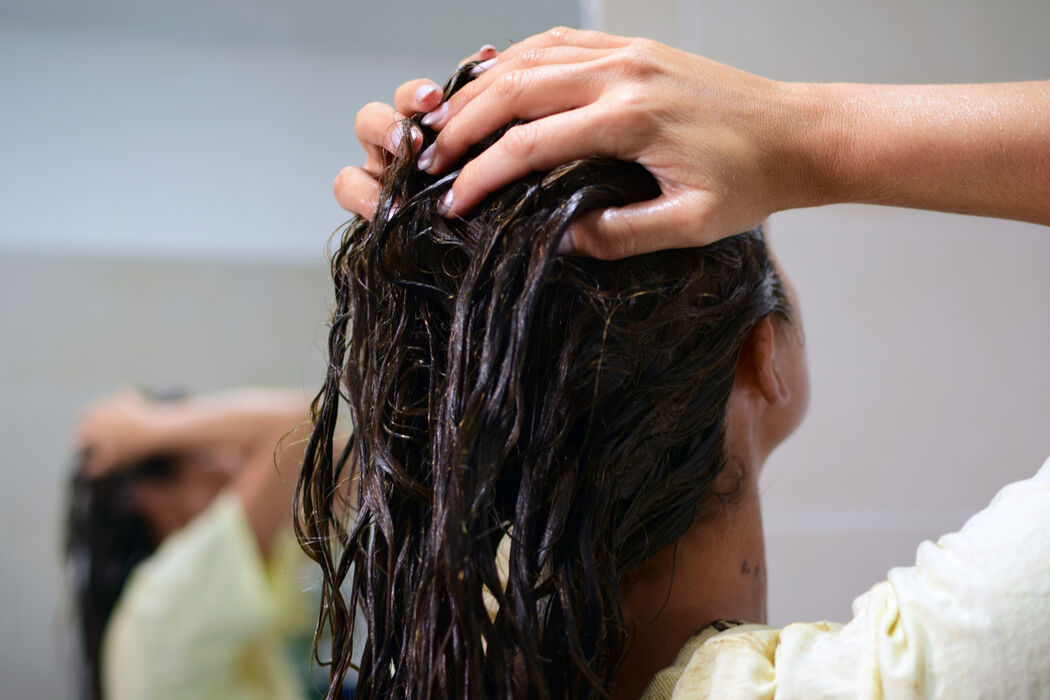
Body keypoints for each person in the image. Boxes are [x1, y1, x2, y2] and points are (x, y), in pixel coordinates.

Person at [310, 29, 1049, 699]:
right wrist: (803, 133)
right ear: (761, 353)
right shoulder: (907, 675)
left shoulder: (458, 665)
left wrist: (437, 250)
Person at [68, 388, 322, 700]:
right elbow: (300, 427)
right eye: (204, 456)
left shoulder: (159, 603)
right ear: (146, 498)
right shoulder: (164, 598)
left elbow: (336, 458)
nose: (231, 466)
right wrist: (150, 427)